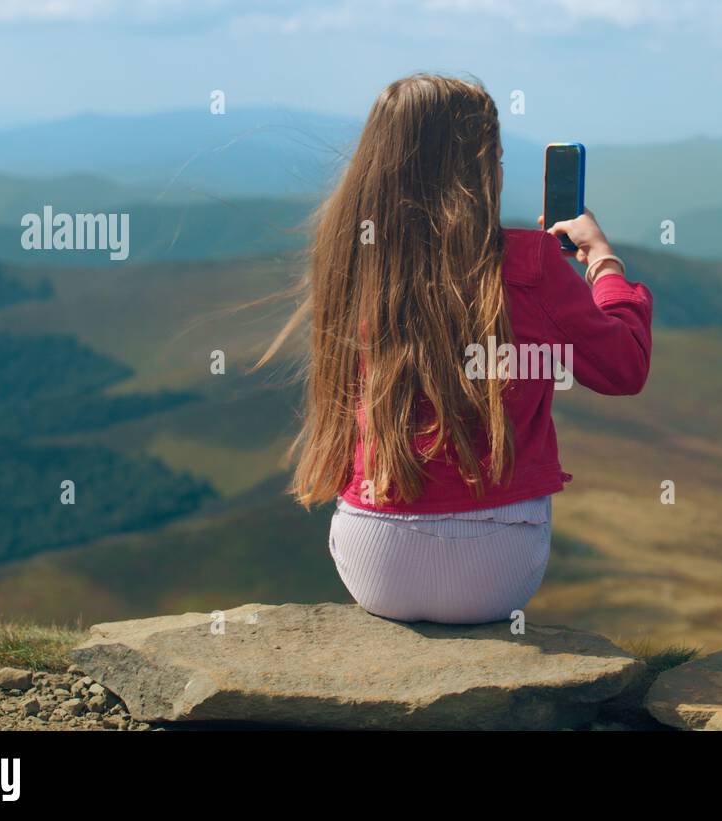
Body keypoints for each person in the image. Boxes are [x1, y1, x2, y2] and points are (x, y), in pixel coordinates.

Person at [258, 74, 653, 623]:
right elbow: (624, 367)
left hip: (373, 564)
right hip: (495, 567)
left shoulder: (352, 256)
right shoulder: (532, 263)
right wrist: (605, 264)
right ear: (481, 167)